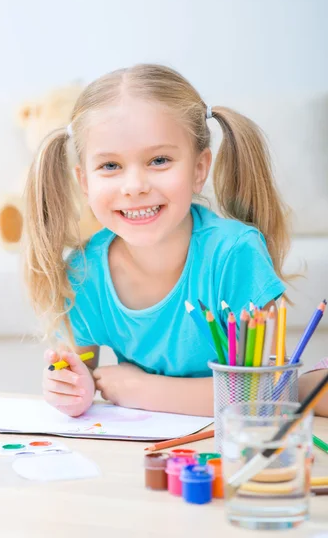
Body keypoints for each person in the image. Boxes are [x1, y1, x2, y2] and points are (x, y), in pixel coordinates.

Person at [24, 64, 291, 418]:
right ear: (84, 181)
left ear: (199, 168)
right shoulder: (83, 273)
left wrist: (140, 389)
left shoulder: (234, 255)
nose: (134, 185)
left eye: (159, 160)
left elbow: (266, 395)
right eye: (110, 166)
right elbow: (81, 370)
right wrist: (72, 388)